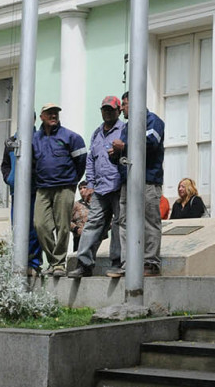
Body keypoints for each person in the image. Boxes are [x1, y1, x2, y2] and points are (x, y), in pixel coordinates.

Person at [107, 91, 164, 277]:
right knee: (124, 222)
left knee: (149, 221)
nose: (122, 108)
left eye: (124, 104)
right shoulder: (127, 126)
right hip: (128, 181)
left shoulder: (153, 121)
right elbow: (127, 151)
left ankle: (150, 263)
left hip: (148, 180)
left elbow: (151, 143)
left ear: (136, 103)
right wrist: (115, 155)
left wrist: (124, 147)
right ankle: (127, 263)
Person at [69, 96, 125, 278]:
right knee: (92, 224)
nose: (108, 112)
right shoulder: (96, 133)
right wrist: (90, 184)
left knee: (119, 225)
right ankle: (84, 264)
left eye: (111, 109)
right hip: (100, 189)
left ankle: (117, 262)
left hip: (118, 186)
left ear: (119, 111)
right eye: (105, 109)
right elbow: (91, 160)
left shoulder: (124, 129)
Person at [32, 102, 87, 277]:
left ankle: (59, 265)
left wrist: (72, 181)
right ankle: (54, 260)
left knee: (63, 226)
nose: (53, 115)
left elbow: (81, 161)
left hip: (65, 187)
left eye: (56, 112)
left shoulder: (71, 137)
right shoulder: (35, 139)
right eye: (49, 113)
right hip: (43, 188)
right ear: (42, 117)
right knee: (40, 225)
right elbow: (31, 165)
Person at [0, 117, 42, 275]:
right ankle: (18, 263)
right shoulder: (11, 141)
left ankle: (34, 263)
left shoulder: (39, 139)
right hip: (16, 191)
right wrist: (9, 179)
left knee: (34, 227)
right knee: (17, 228)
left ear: (34, 120)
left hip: (34, 190)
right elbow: (5, 164)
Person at [71, 181, 90, 256]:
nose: (82, 190)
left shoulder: (98, 204)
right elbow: (67, 221)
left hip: (98, 238)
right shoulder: (75, 205)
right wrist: (76, 229)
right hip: (80, 239)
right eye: (80, 188)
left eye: (85, 188)